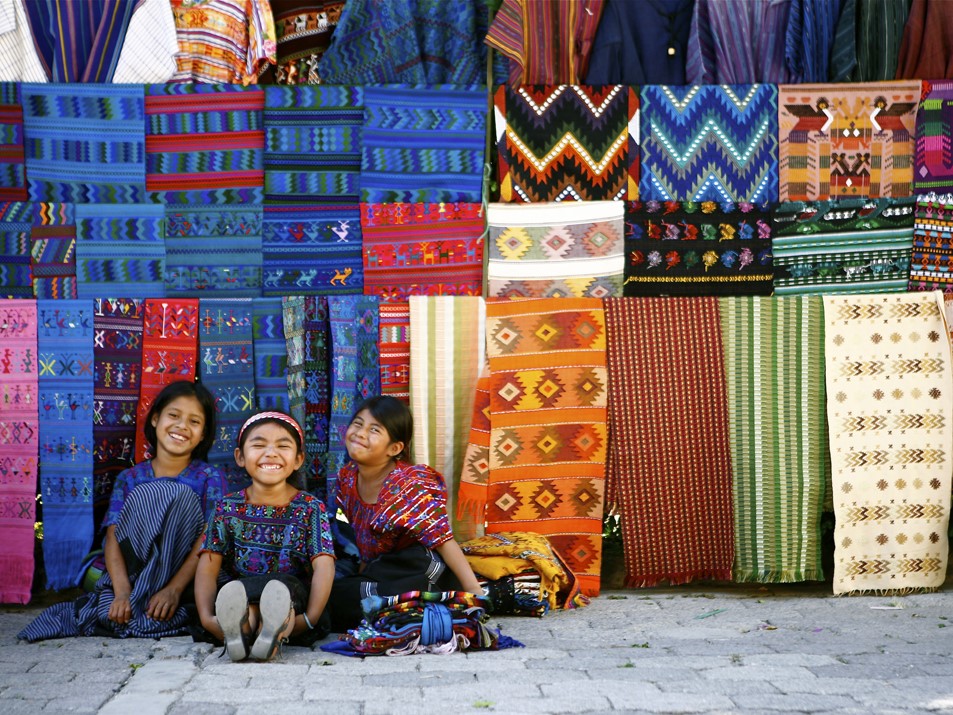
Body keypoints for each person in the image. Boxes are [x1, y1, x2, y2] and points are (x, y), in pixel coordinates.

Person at [19, 380, 226, 642]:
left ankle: (159, 598)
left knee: (176, 494)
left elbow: (209, 539)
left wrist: (173, 589)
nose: (182, 426)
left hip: (181, 578)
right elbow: (114, 538)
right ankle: (139, 598)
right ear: (155, 420)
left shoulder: (209, 477)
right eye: (173, 415)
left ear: (203, 434)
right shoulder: (130, 478)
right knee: (111, 614)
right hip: (132, 577)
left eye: (194, 422)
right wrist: (121, 593)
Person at [327, 395, 484, 631]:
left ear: (395, 448)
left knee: (357, 596)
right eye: (358, 424)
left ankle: (425, 607)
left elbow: (443, 539)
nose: (360, 433)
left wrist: (475, 594)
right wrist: (363, 575)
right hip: (383, 569)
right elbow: (362, 538)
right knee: (334, 591)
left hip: (418, 566)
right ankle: (394, 609)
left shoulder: (409, 484)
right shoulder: (347, 478)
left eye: (374, 430)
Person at [194, 411, 335, 662]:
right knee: (243, 603)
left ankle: (267, 632)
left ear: (298, 459)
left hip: (293, 600)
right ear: (240, 456)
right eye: (258, 445)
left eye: (283, 446)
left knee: (281, 594)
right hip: (241, 593)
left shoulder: (310, 507)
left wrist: (311, 618)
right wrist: (207, 618)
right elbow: (208, 566)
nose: (270, 453)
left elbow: (324, 565)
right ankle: (245, 631)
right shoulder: (227, 507)